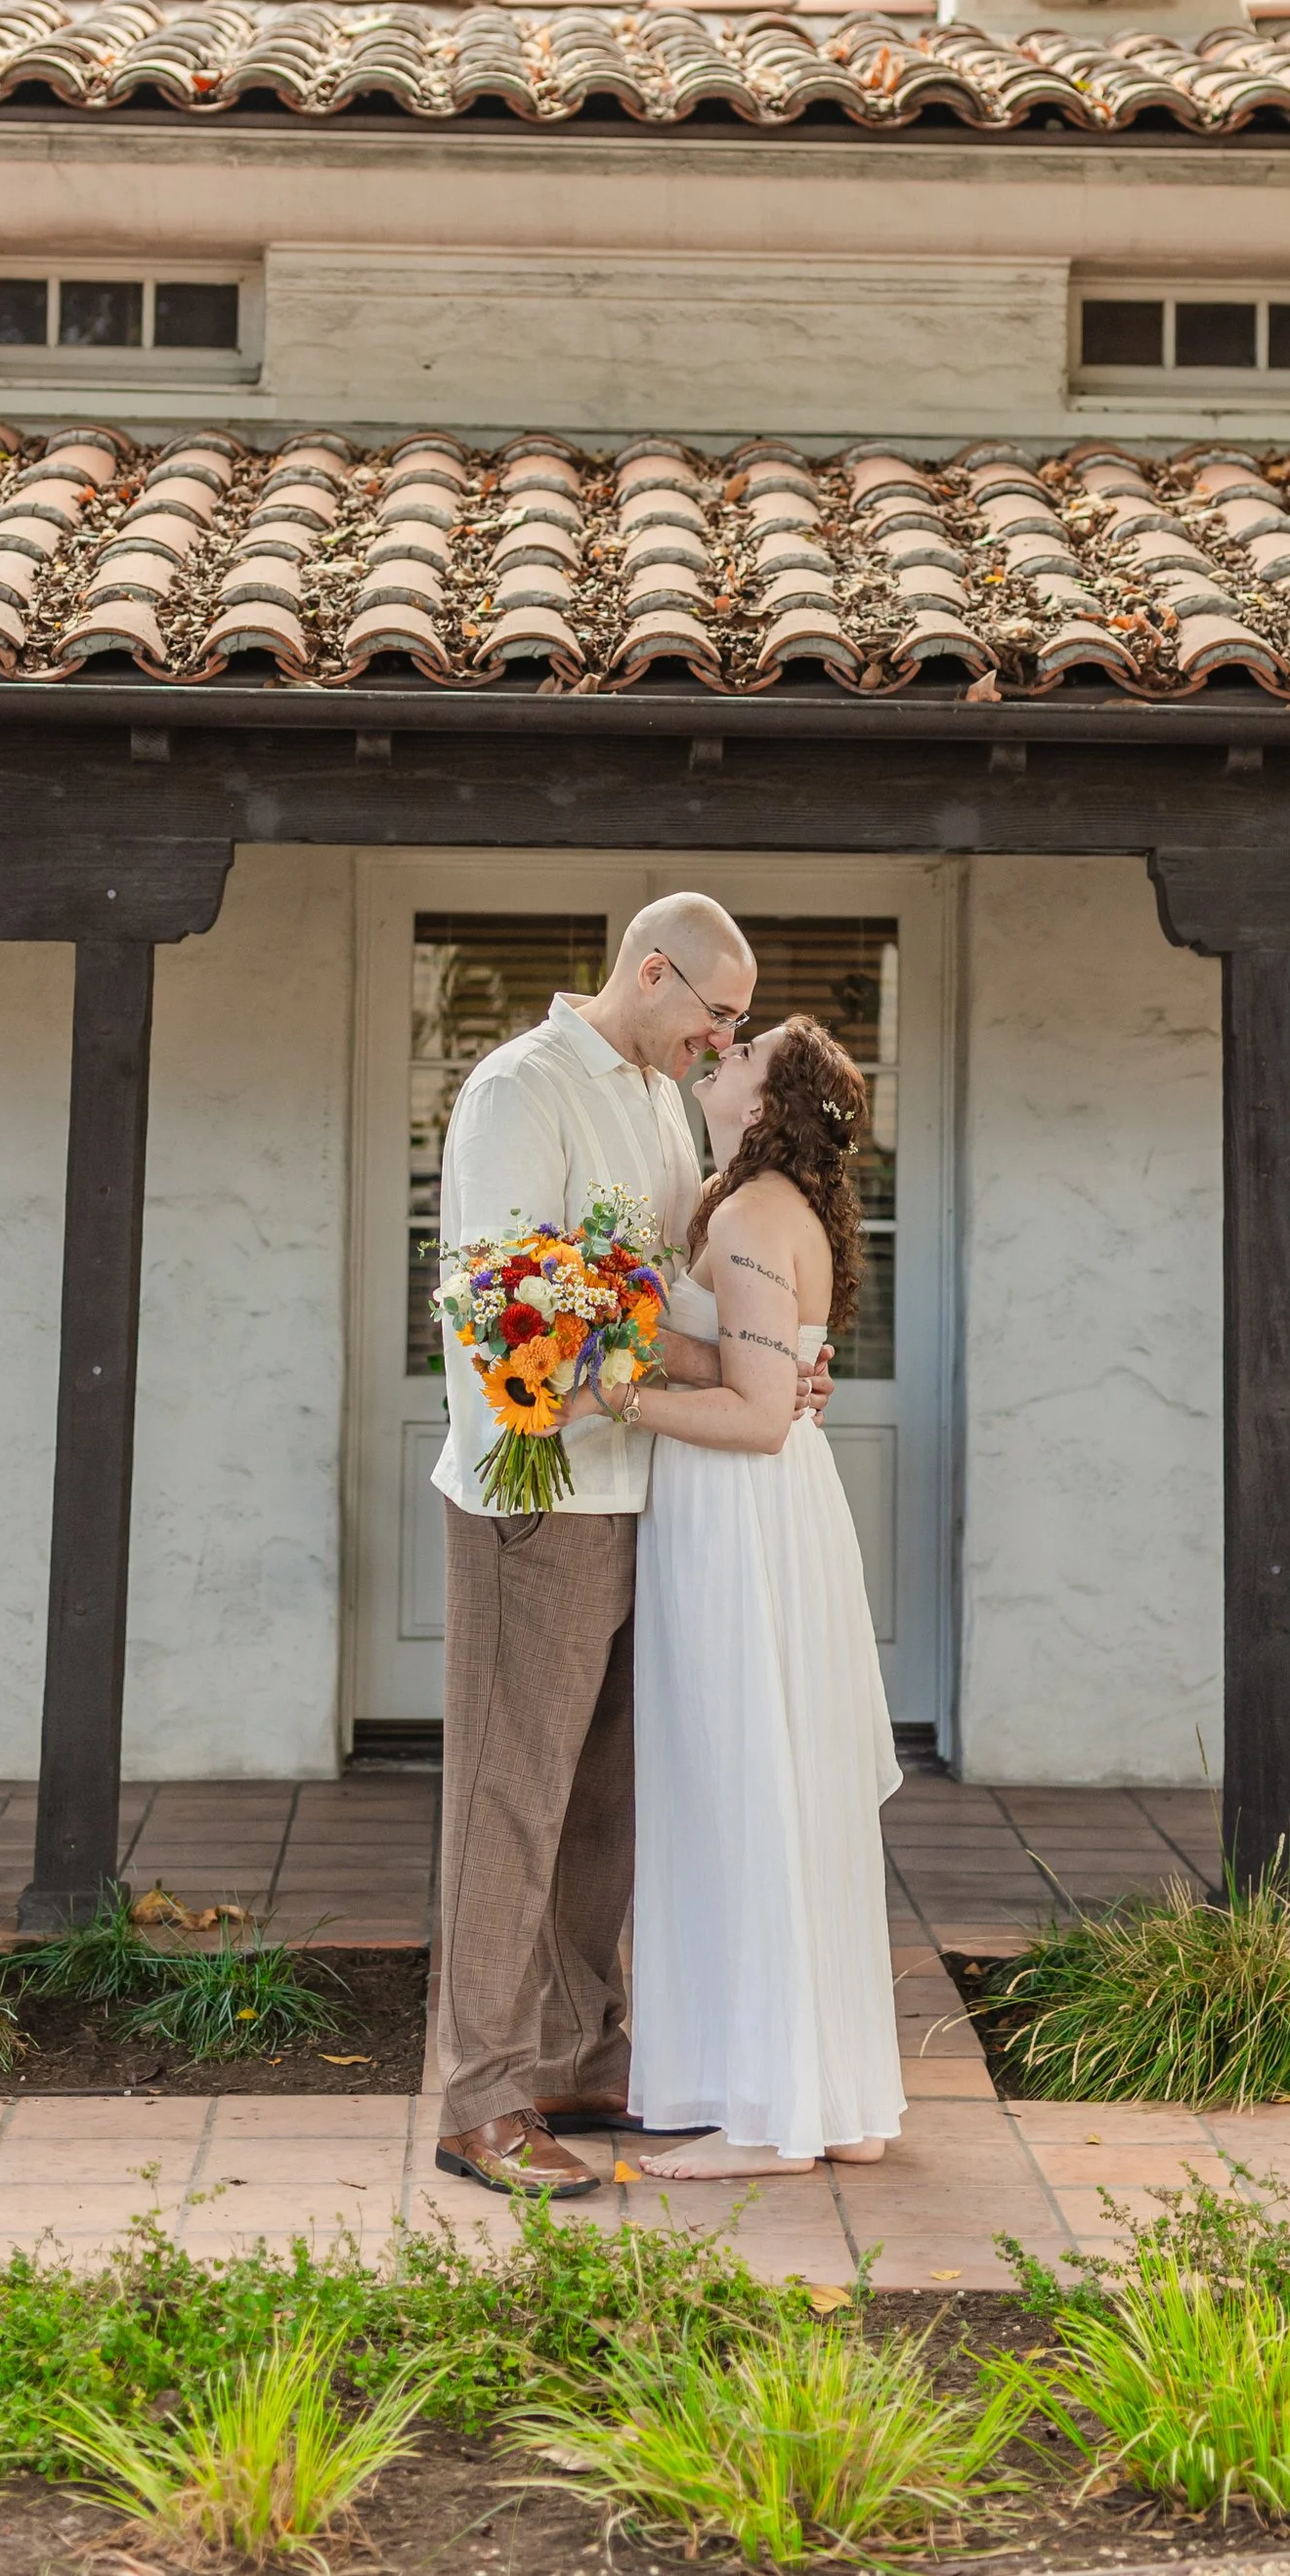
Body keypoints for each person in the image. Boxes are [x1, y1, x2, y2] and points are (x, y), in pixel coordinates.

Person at [426, 890, 755, 2202]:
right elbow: (518, 1301)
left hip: (642, 1485)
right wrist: (717, 1364)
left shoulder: (661, 1098)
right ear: (654, 969)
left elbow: (659, 1282)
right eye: (716, 1014)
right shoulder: (525, 1086)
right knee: (511, 1797)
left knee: (601, 1803)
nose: (724, 1044)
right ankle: (482, 2098)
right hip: (540, 1483)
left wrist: (764, 1358)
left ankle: (577, 2057)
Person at [596, 1013, 906, 2177]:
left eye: (745, 1054)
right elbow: (745, 1364)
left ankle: (767, 2115)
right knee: (783, 1791)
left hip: (742, 1524)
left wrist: (608, 1403)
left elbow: (759, 1417)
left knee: (743, 1791)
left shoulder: (750, 1214)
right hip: (763, 1519)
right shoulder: (756, 1204)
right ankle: (836, 2098)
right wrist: (614, 1342)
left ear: (770, 1103)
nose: (721, 1055)